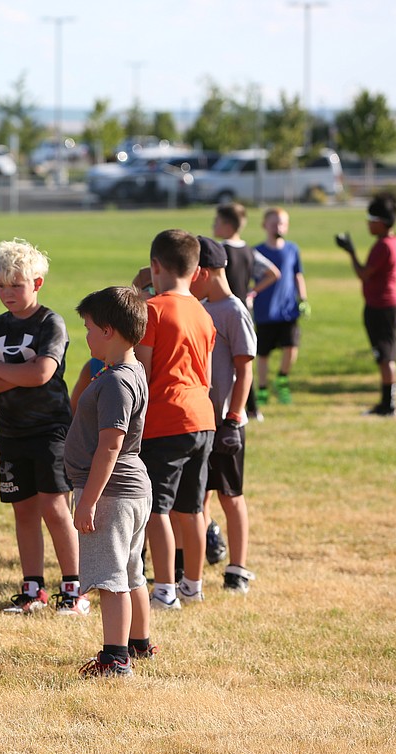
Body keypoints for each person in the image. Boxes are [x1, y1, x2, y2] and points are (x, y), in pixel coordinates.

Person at [0, 238, 85, 616]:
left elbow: (42, 373)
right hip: (10, 430)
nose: (7, 293)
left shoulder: (50, 322)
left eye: (15, 285)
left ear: (37, 283)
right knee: (23, 509)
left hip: (50, 429)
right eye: (0, 286)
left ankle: (74, 587)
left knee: (54, 506)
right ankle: (33, 587)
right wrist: (17, 373)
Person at [66, 286, 152, 676]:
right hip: (130, 488)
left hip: (113, 491)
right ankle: (139, 643)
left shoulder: (117, 380)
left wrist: (88, 501)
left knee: (111, 577)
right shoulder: (132, 370)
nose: (84, 336)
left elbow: (110, 446)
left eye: (87, 328)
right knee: (131, 570)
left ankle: (115, 659)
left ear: (108, 331)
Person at [134, 229, 217, 610]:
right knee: (193, 508)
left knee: (158, 509)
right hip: (203, 416)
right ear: (197, 270)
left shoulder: (153, 309)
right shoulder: (203, 312)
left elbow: (143, 372)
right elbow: (209, 376)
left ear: (155, 266)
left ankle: (164, 589)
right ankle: (192, 584)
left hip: (165, 417)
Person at [189, 237, 257, 594]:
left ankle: (237, 568)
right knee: (199, 498)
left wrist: (232, 417)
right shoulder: (198, 306)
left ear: (204, 272)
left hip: (227, 422)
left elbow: (244, 370)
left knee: (230, 496)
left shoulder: (233, 310)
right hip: (200, 419)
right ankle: (193, 571)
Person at [336, 192, 396, 417]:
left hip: (381, 307)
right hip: (385, 305)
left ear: (381, 223)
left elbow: (364, 274)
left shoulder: (383, 246)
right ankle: (387, 403)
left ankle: (388, 405)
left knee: (385, 357)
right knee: (385, 356)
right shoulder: (393, 241)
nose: (368, 224)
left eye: (371, 220)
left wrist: (351, 252)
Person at [253, 207, 309, 406]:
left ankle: (282, 380)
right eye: (274, 222)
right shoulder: (257, 252)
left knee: (291, 347)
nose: (279, 226)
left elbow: (297, 275)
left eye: (282, 223)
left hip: (288, 310)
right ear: (264, 225)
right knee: (263, 354)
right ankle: (262, 389)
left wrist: (303, 298)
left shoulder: (292, 249)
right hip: (265, 310)